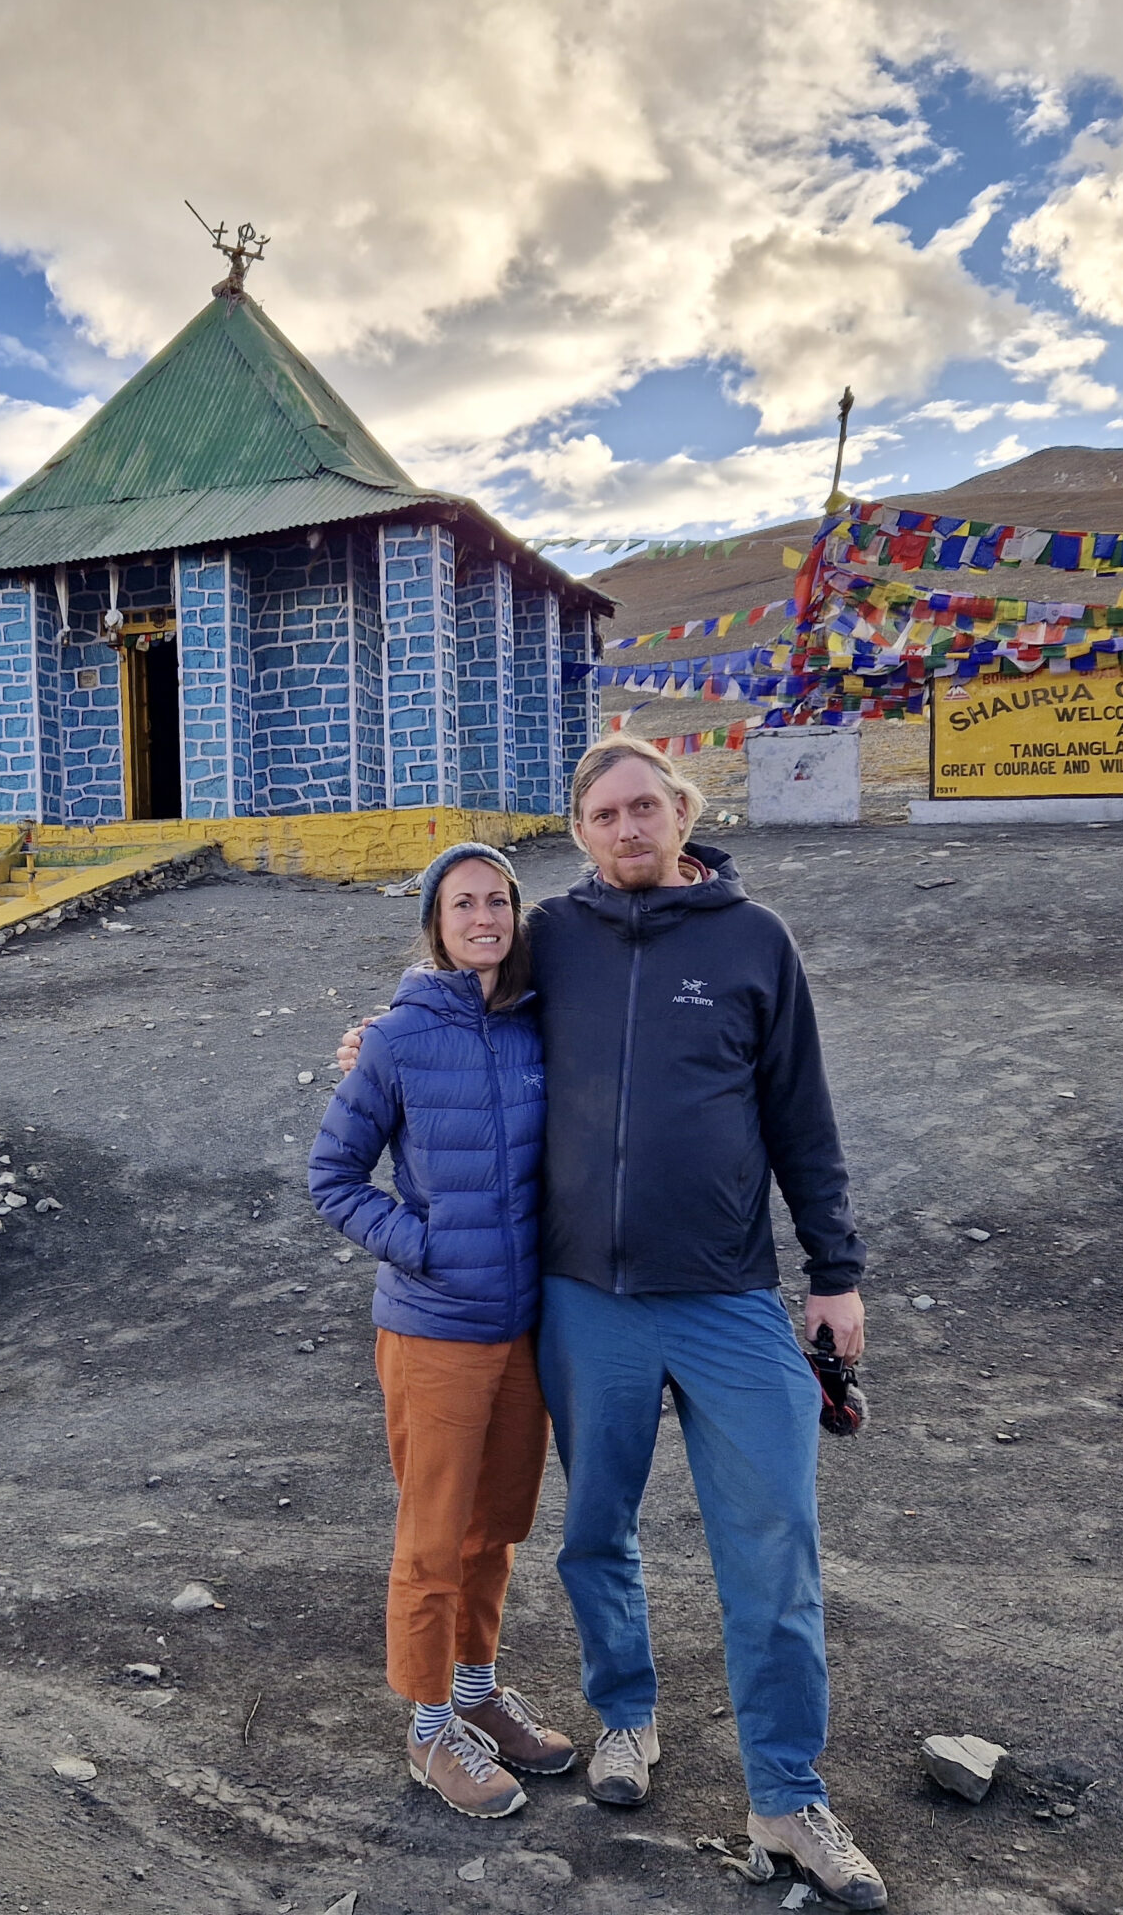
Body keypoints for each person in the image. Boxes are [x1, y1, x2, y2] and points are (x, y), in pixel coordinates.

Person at [336, 738, 886, 1909]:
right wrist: (367, 1045)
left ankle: (787, 1796)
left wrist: (832, 1274)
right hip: (585, 1303)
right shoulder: (560, 939)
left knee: (775, 1548)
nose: (626, 828)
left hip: (730, 1297)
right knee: (593, 1535)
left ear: (682, 813)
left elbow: (802, 1112)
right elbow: (455, 996)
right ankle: (623, 1722)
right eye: (603, 814)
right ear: (578, 831)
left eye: (645, 807)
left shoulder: (754, 940)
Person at [307, 842, 578, 1820]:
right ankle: (428, 1733)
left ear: (515, 913)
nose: (481, 917)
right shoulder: (396, 1037)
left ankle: (474, 1693)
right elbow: (332, 1176)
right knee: (431, 1539)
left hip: (523, 1331)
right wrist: (420, 1245)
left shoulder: (540, 1022)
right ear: (435, 921)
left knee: (495, 1528)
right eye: (461, 903)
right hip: (433, 1330)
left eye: (496, 900)